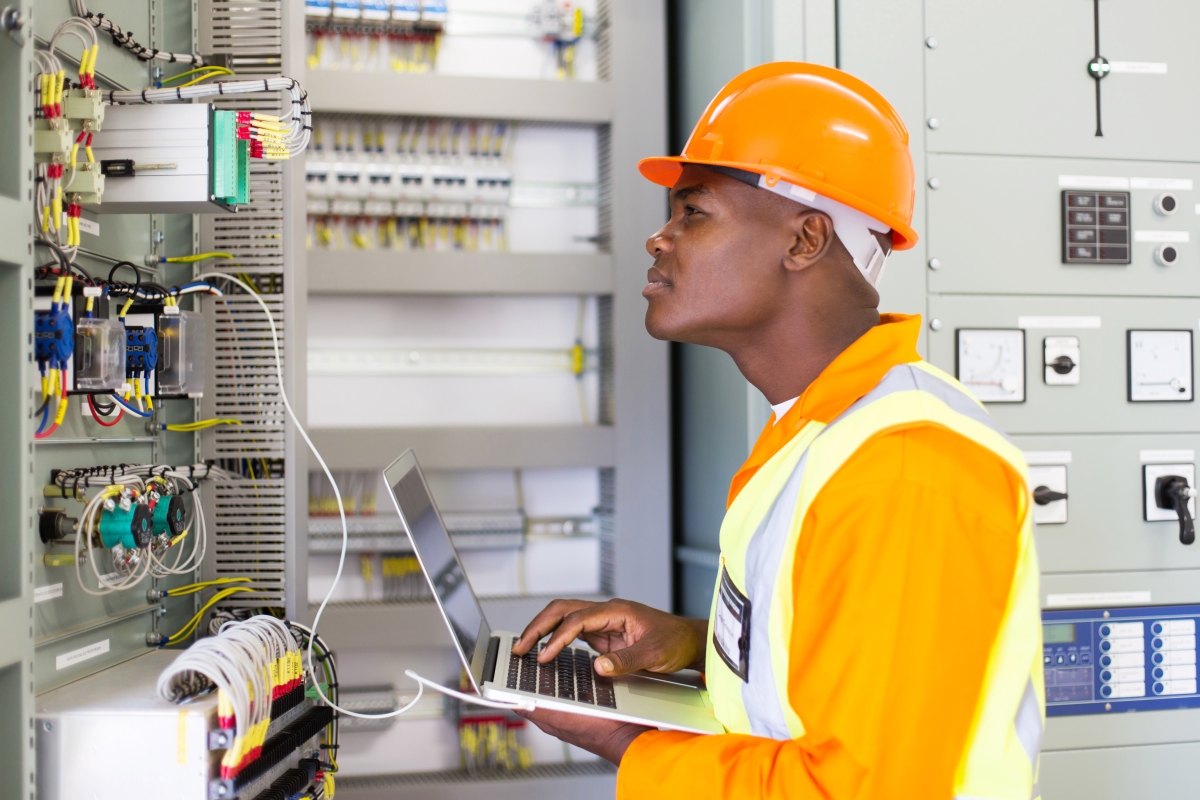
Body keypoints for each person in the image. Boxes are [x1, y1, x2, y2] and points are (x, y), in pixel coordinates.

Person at [511, 62, 1043, 800]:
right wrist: (694, 644)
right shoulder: (819, 431)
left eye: (693, 212)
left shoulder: (906, 467)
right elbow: (834, 671)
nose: (659, 239)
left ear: (805, 239)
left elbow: (865, 790)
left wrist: (627, 743)